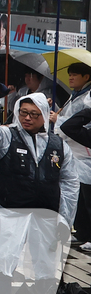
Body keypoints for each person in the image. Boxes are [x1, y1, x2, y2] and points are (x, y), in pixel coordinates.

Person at [0, 87, 78, 294]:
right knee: (3, 264)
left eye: (34, 114)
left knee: (46, 269)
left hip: (46, 215)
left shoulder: (59, 146)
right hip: (11, 212)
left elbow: (69, 183)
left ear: (45, 115)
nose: (28, 118)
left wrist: (65, 219)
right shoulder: (6, 136)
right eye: (23, 113)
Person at [55, 62, 91, 250]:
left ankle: (88, 233)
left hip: (84, 151)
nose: (71, 78)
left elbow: (76, 123)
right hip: (72, 150)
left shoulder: (86, 97)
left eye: (75, 75)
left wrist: (57, 120)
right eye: (70, 74)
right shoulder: (74, 95)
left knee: (87, 195)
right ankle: (82, 231)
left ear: (86, 77)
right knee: (77, 193)